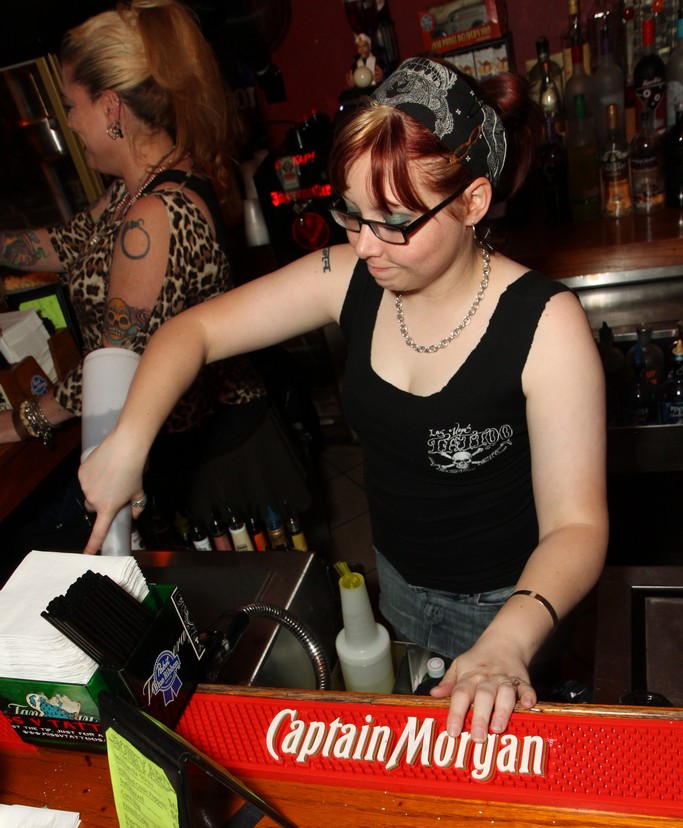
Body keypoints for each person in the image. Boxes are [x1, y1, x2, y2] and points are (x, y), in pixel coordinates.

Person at [79, 56, 608, 740]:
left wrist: (508, 640)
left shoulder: (546, 325)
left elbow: (576, 527)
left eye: (394, 220)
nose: (364, 245)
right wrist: (128, 440)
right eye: (352, 214)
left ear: (473, 202)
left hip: (512, 602)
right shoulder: (346, 274)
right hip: (398, 579)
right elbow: (192, 331)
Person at [0, 0, 310, 544]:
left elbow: (115, 364)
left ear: (110, 106)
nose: (69, 122)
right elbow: (66, 244)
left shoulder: (151, 215)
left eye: (71, 105)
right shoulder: (142, 184)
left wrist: (26, 419)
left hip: (216, 457)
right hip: (193, 445)